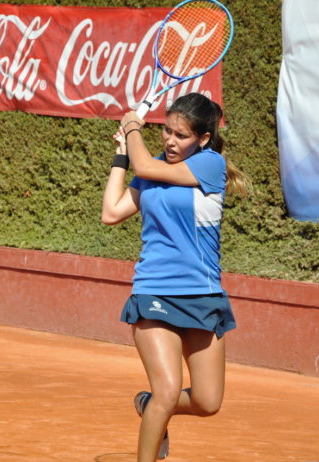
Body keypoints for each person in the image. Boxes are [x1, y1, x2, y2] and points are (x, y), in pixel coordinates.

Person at [101, 92, 249, 461]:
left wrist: (133, 124)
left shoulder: (210, 165)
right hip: (154, 291)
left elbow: (148, 168)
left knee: (207, 401)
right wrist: (122, 157)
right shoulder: (149, 168)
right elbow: (112, 213)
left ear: (202, 139)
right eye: (166, 131)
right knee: (168, 390)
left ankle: (149, 405)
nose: (169, 140)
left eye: (180, 135)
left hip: (202, 295)